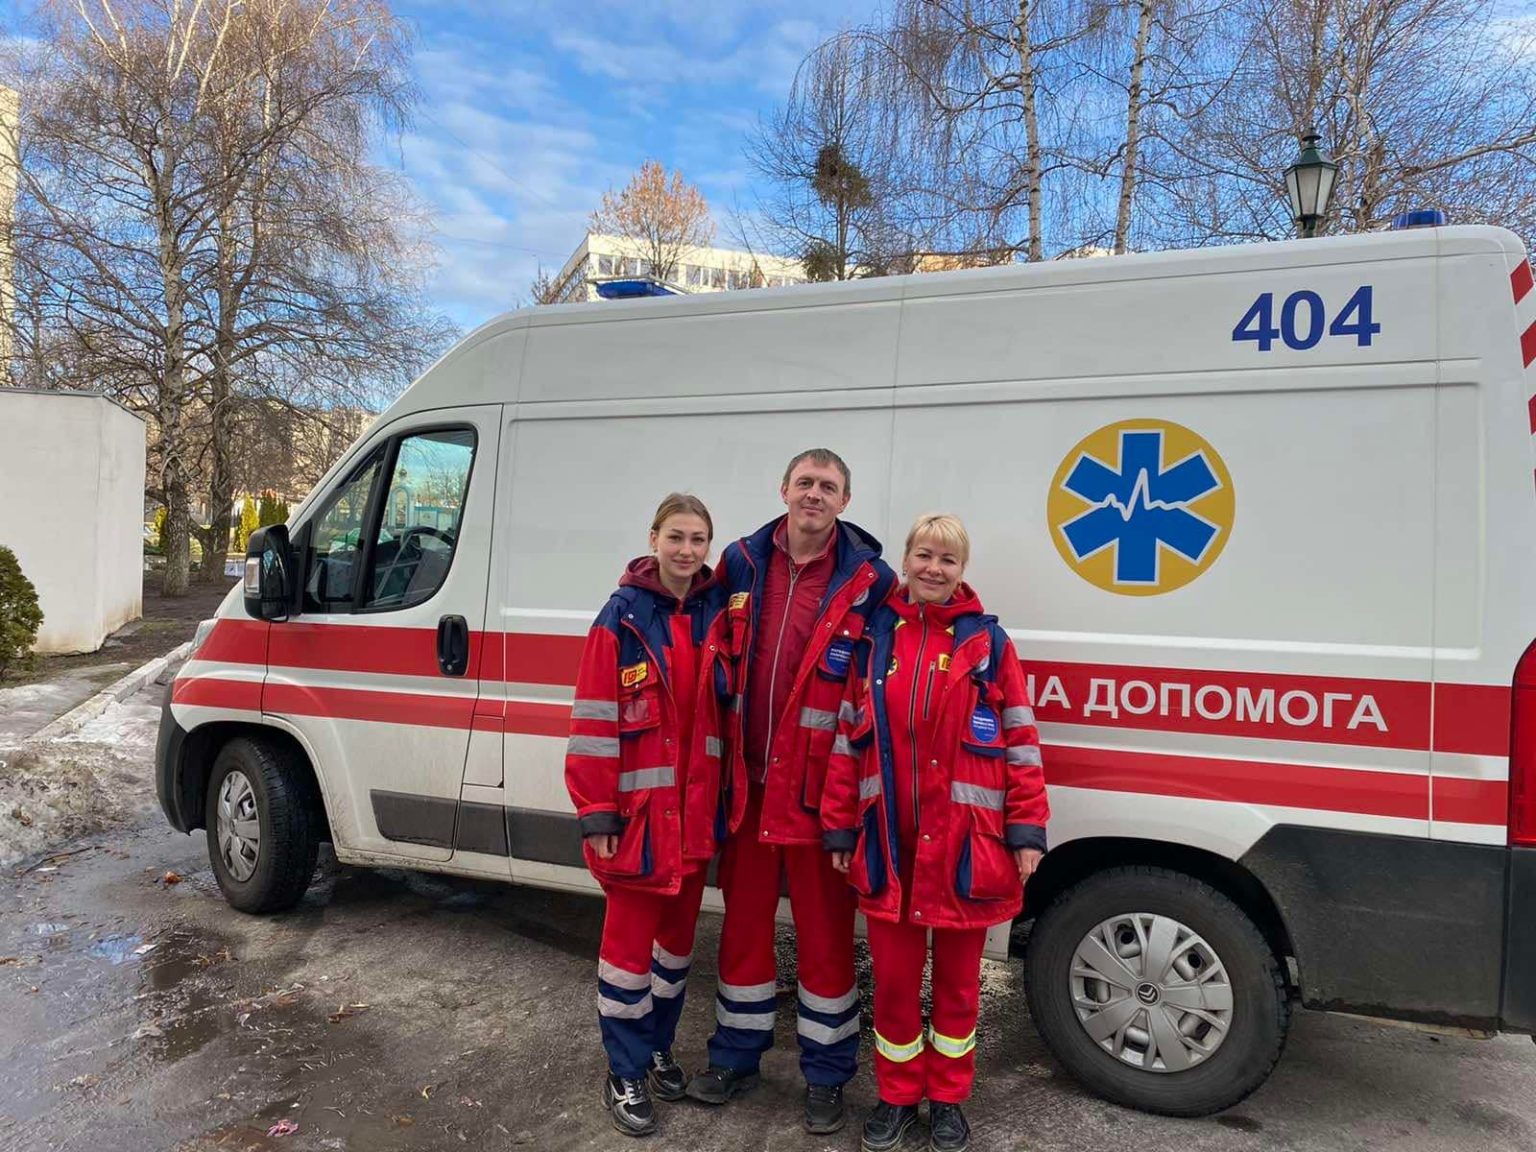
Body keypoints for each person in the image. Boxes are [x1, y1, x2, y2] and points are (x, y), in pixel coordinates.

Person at [685, 449, 897, 1135]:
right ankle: (736, 1057)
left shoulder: (872, 581)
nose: (814, 494)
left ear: (844, 500)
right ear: (784, 489)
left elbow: (876, 691)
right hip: (747, 788)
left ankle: (828, 1076)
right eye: (804, 483)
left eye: (827, 487)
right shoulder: (743, 562)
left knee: (828, 945)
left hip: (817, 795)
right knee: (742, 937)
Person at [822, 514, 1049, 1152]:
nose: (933, 569)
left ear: (961, 571)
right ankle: (896, 1099)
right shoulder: (876, 640)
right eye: (924, 556)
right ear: (907, 559)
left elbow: (1022, 743)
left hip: (964, 849)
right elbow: (847, 737)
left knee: (956, 990)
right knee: (893, 987)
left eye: (947, 560)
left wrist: (1027, 830)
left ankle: (947, 1099)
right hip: (889, 846)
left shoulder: (989, 644)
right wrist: (840, 827)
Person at [565, 493, 741, 1137]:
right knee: (627, 958)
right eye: (677, 537)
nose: (687, 551)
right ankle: (626, 1070)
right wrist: (598, 814)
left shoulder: (716, 614)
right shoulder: (621, 618)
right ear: (654, 538)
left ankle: (659, 1046)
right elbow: (591, 726)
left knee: (673, 955)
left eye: (698, 540)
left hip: (693, 824)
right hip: (636, 824)